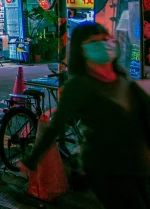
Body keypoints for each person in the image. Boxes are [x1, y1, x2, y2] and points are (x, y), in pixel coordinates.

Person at [20, 23, 150, 208]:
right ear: (82, 50)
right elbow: (57, 125)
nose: (103, 44)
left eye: (106, 40)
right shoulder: (79, 86)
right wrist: (32, 160)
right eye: (94, 42)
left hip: (139, 165)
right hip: (106, 168)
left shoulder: (125, 80)